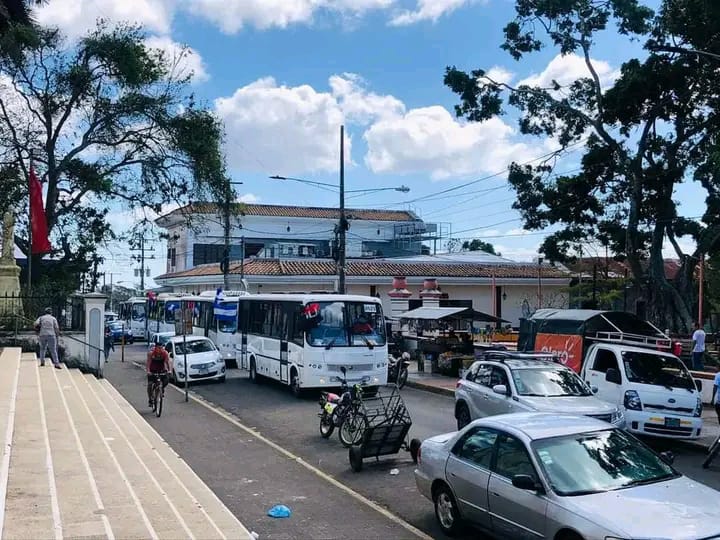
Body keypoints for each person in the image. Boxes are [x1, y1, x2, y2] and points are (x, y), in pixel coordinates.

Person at [146, 342, 171, 408]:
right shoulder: (151, 353)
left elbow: (168, 363)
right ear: (155, 348)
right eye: (159, 348)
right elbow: (148, 363)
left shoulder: (165, 353)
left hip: (161, 369)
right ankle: (150, 399)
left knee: (166, 380)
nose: (160, 350)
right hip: (152, 370)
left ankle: (161, 389)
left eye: (162, 348)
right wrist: (148, 371)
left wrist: (169, 370)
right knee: (150, 384)